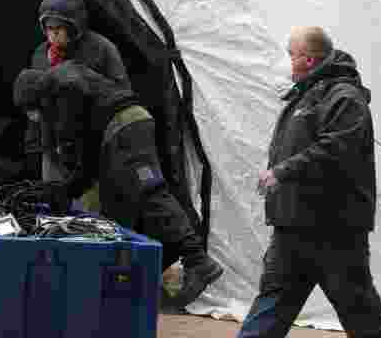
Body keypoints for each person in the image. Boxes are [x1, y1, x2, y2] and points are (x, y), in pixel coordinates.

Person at [197, 26, 381, 338]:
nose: (288, 61)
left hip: (335, 226)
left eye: (291, 54)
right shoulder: (308, 95)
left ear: (308, 58)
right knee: (275, 291)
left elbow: (336, 149)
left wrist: (282, 172)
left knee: (355, 302)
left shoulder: (344, 97)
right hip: (295, 222)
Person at [13, 60, 224, 308]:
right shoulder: (70, 87)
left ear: (35, 96)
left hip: (125, 127)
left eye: (32, 110)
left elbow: (80, 141)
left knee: (150, 192)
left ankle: (198, 261)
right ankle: (144, 276)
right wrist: (70, 189)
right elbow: (90, 153)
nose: (35, 117)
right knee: (121, 203)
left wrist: (67, 162)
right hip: (125, 127)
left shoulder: (63, 87)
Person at [26, 0, 131, 185]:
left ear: (75, 26)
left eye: (60, 27)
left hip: (90, 145)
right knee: (55, 202)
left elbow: (123, 96)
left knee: (90, 207)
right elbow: (34, 101)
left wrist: (84, 82)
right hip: (53, 145)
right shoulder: (41, 54)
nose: (54, 33)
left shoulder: (102, 48)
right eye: (49, 28)